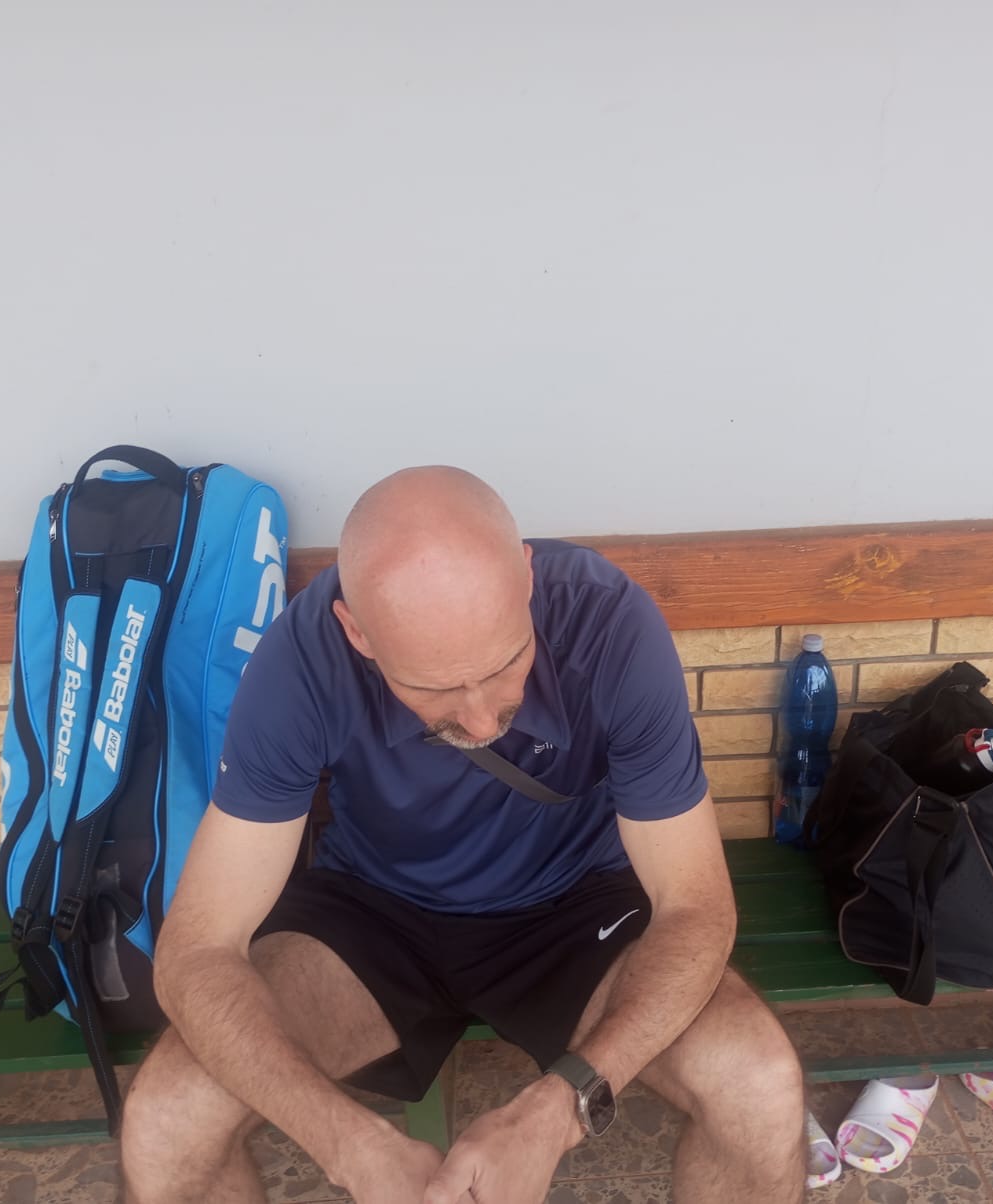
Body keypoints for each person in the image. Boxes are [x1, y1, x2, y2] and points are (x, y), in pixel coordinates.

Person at [120, 466, 807, 1204]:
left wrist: (562, 1109)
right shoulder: (300, 663)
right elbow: (197, 951)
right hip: (375, 914)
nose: (482, 719)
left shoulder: (609, 624)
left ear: (526, 577)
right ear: (358, 632)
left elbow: (696, 907)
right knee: (168, 1118)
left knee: (758, 1081)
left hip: (576, 909)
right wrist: (348, 1145)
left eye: (508, 662)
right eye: (434, 687)